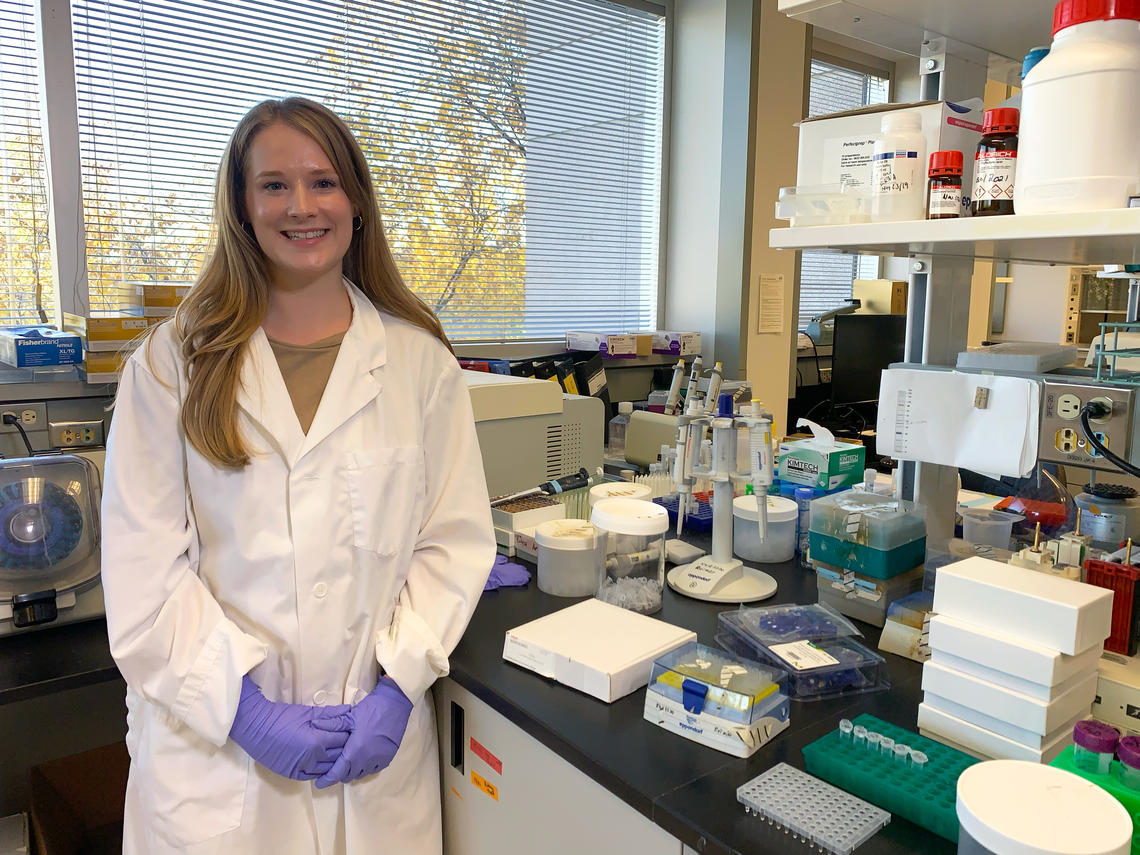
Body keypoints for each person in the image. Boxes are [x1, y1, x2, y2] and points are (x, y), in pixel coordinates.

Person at [100, 96, 497, 855]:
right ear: (243, 205)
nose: (301, 206)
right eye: (274, 184)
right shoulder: (169, 365)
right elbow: (142, 576)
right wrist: (243, 710)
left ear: (356, 200)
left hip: (373, 762)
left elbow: (452, 544)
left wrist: (397, 686)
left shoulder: (420, 365)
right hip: (217, 766)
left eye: (323, 181)